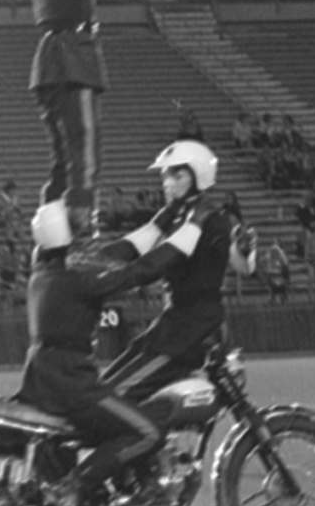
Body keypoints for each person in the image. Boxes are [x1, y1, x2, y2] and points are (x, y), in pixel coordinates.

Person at [11, 0, 170, 236]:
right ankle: (82, 225)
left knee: (62, 155)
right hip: (73, 56)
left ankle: (51, 225)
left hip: (48, 61)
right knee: (85, 145)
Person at [19, 201, 163, 506]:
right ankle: (76, 485)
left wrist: (159, 224)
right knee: (149, 433)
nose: (83, 240)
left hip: (42, 379)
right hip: (73, 383)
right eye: (76, 232)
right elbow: (135, 273)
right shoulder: (77, 280)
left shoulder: (41, 274)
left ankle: (114, 485)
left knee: (117, 421)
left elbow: (114, 256)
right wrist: (176, 248)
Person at [96, 140, 253, 405]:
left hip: (193, 329)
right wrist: (94, 260)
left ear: (198, 176)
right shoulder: (176, 213)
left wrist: (244, 251)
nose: (167, 182)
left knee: (118, 397)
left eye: (176, 175)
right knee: (102, 390)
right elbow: (139, 240)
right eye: (165, 175)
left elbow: (242, 266)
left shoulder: (210, 218)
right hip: (174, 323)